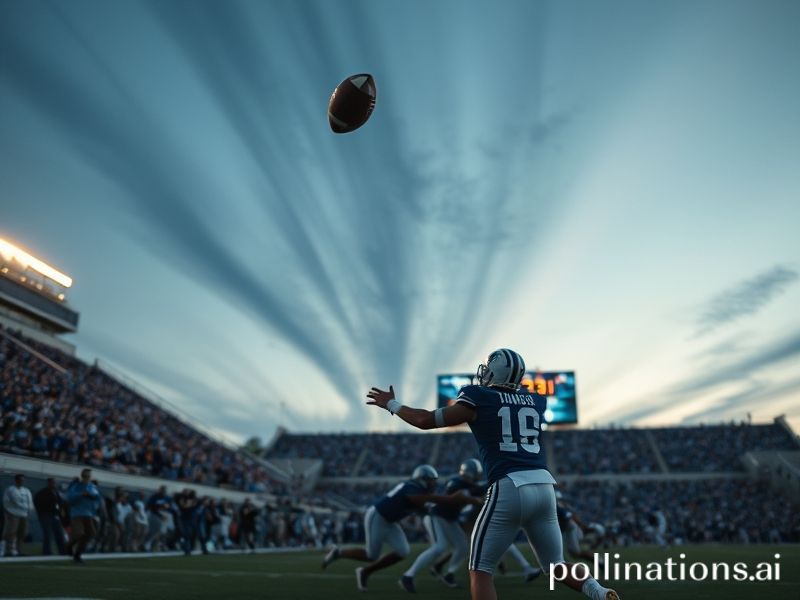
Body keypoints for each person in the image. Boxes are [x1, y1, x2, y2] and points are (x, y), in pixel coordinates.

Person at [366, 348, 619, 600]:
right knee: (556, 565)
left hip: (509, 485)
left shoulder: (479, 396)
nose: (483, 374)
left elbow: (425, 420)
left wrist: (391, 403)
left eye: (488, 370)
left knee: (480, 570)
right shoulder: (538, 401)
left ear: (495, 373)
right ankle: (599, 591)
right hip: (544, 487)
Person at [321, 464, 481, 592]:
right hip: (377, 516)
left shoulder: (420, 492)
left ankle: (365, 571)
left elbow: (424, 507)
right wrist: (449, 499)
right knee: (371, 555)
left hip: (390, 522)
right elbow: (419, 499)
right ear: (422, 479)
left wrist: (459, 502)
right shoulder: (411, 487)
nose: (433, 484)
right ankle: (339, 553)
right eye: (431, 480)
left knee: (403, 551)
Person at [67, 468, 102, 563]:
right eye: (85, 476)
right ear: (82, 476)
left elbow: (97, 497)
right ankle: (68, 546)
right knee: (79, 533)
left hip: (88, 514)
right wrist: (81, 494)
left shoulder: (92, 487)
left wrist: (90, 495)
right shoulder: (76, 486)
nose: (87, 478)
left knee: (90, 533)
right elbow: (70, 498)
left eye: (88, 476)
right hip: (77, 513)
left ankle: (78, 553)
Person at [2, 474, 33, 557]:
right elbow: (7, 501)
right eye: (20, 480)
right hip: (13, 514)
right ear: (16, 480)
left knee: (22, 533)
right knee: (11, 532)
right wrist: (8, 512)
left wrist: (29, 511)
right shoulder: (10, 489)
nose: (22, 481)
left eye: (23, 480)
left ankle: (19, 550)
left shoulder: (26, 490)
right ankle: (9, 550)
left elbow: (30, 502)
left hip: (24, 514)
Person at [33, 478, 67, 555]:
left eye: (54, 483)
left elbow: (60, 503)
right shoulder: (42, 493)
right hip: (46, 515)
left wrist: (60, 511)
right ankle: (46, 551)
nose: (53, 484)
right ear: (48, 483)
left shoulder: (56, 492)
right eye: (52, 483)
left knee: (59, 533)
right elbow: (37, 502)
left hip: (55, 516)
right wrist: (41, 513)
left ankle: (62, 551)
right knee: (47, 534)